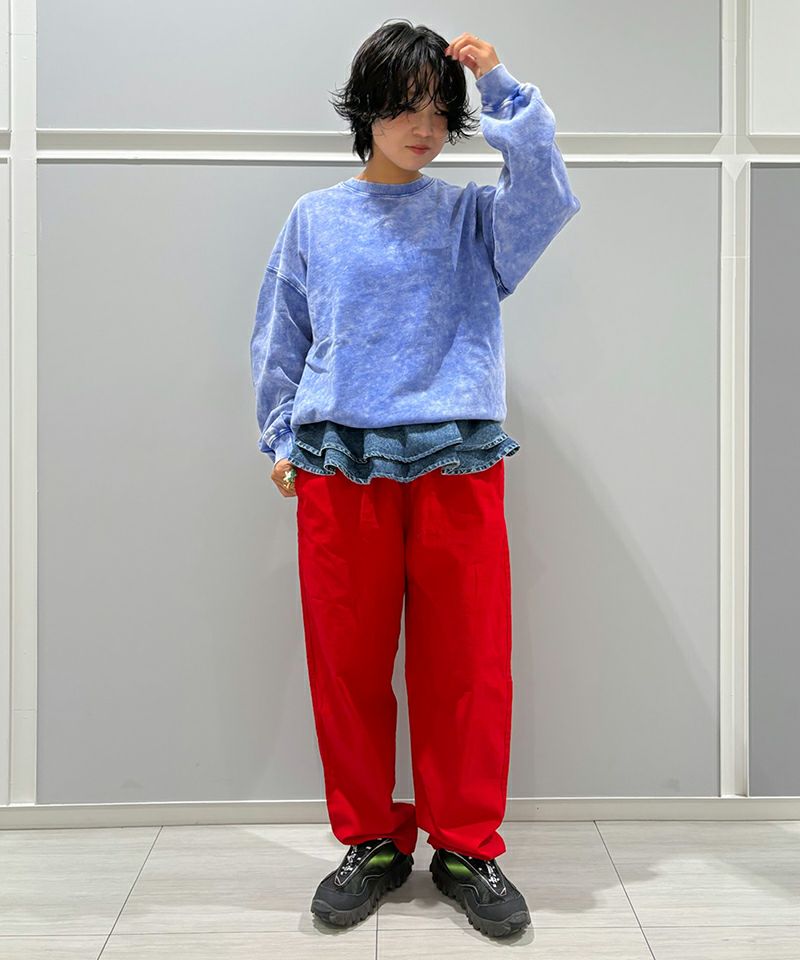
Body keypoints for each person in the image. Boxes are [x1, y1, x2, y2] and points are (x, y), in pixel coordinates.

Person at [249, 19, 580, 940]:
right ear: (367, 110)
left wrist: (502, 87)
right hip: (337, 463)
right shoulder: (315, 218)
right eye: (405, 107)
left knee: (468, 664)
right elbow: (281, 332)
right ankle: (371, 842)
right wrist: (280, 434)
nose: (425, 127)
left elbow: (548, 194)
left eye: (440, 110)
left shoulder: (474, 217)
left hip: (457, 457)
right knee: (347, 666)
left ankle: (467, 847)